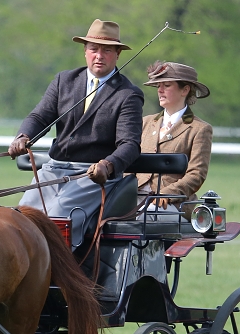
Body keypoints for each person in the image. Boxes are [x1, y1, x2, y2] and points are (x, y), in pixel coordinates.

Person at [8, 19, 143, 249]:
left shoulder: (128, 94)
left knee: (58, 217)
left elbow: (129, 144)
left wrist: (108, 166)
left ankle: (59, 276)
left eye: (107, 50)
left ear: (118, 54)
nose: (99, 56)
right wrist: (23, 136)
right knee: (22, 216)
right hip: (53, 169)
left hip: (92, 176)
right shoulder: (64, 81)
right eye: (94, 49)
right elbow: (40, 117)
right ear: (85, 52)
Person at [135, 61, 212, 219]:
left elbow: (196, 174)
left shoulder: (199, 129)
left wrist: (168, 193)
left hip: (173, 204)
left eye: (167, 86)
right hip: (134, 197)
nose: (160, 91)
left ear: (185, 89)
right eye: (158, 87)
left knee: (146, 217)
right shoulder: (145, 123)